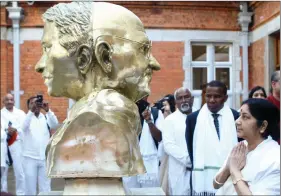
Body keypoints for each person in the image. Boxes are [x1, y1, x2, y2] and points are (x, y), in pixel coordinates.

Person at [35, 2, 160, 192]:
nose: (154, 63)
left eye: (47, 49)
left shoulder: (106, 122)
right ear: (102, 57)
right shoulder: (90, 121)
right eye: (144, 49)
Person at [214, 99, 280, 195]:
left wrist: (234, 170)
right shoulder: (240, 147)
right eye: (239, 115)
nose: (237, 121)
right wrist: (228, 167)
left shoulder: (275, 158)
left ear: (263, 126)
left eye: (245, 117)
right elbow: (216, 184)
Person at [185, 80, 240, 195]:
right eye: (208, 96)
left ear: (225, 98)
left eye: (217, 96)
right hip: (203, 181)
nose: (212, 100)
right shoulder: (193, 119)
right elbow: (192, 150)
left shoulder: (236, 117)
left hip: (231, 177)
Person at [123, 96, 164, 191]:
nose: (139, 98)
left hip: (149, 165)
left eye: (142, 95)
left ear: (147, 96)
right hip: (130, 164)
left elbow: (160, 137)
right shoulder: (126, 114)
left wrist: (149, 121)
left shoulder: (156, 113)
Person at [22, 96, 59, 195]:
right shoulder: (26, 118)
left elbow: (55, 125)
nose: (35, 105)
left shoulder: (46, 117)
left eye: (37, 102)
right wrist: (31, 112)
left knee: (45, 188)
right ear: (28, 106)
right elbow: (23, 127)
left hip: (44, 158)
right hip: (29, 158)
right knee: (30, 188)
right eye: (32, 103)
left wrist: (48, 111)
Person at [162, 87, 195, 195]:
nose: (184, 100)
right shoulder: (170, 120)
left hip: (199, 170)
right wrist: (188, 159)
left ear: (192, 99)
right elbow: (168, 145)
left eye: (186, 97)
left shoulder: (200, 117)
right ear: (176, 102)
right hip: (179, 170)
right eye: (180, 98)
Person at [0, 94, 26, 195]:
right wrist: (6, 131)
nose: (9, 101)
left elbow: (24, 127)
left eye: (11, 99)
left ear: (14, 101)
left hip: (16, 143)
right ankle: (3, 192)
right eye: (7, 100)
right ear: (3, 102)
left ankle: (21, 193)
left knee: (19, 171)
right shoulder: (1, 113)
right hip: (3, 144)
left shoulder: (20, 113)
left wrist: (15, 129)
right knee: (3, 171)